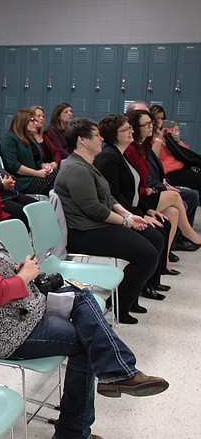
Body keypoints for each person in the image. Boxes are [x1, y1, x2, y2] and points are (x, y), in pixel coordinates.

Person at [0, 170, 168, 439]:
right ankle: (73, 432)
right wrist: (26, 274)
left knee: (81, 297)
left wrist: (17, 271)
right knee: (85, 343)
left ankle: (118, 372)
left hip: (13, 313)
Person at [54, 118, 164, 324]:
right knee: (147, 255)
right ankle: (121, 306)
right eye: (96, 135)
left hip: (97, 226)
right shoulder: (77, 168)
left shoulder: (86, 164)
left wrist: (128, 215)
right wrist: (125, 222)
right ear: (83, 141)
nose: (101, 139)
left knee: (152, 244)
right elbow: (94, 209)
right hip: (85, 233)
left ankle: (127, 299)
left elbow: (108, 198)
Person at [95, 114, 174, 288]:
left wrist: (148, 211)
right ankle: (144, 286)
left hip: (129, 207)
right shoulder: (109, 157)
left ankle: (152, 283)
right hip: (119, 213)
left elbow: (134, 192)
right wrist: (137, 216)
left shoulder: (121, 154)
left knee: (163, 224)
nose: (132, 131)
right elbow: (114, 195)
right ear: (115, 134)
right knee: (155, 235)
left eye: (131, 128)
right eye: (126, 129)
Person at [124, 109, 201, 253]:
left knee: (173, 211)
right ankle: (188, 233)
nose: (152, 126)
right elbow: (140, 178)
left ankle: (165, 259)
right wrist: (157, 187)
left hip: (156, 184)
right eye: (147, 124)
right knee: (176, 196)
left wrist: (175, 139)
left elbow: (185, 153)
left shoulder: (146, 145)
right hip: (141, 196)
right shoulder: (134, 149)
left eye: (152, 123)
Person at [0, 108, 58, 195]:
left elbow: (35, 161)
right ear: (22, 121)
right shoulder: (9, 140)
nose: (36, 123)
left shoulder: (29, 138)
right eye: (32, 120)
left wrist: (44, 166)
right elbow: (14, 166)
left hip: (34, 176)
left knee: (59, 175)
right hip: (23, 182)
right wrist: (37, 173)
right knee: (59, 179)